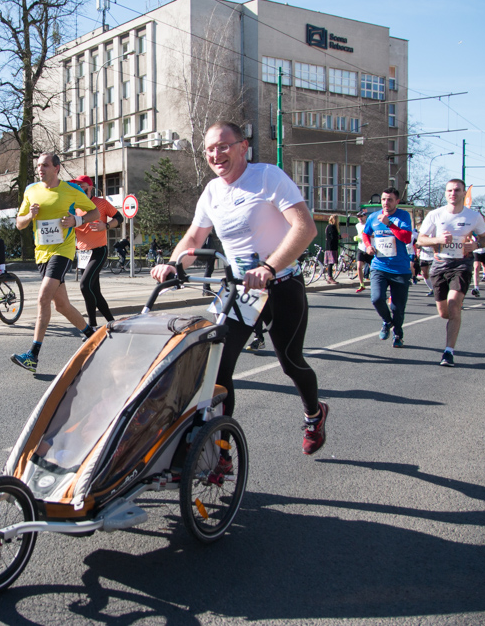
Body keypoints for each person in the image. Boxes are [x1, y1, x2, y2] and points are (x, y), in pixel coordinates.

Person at [151, 121, 327, 455]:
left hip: (282, 283)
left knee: (290, 362)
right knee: (217, 367)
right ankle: (220, 450)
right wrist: (174, 265)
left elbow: (304, 228)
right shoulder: (212, 191)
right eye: (210, 149)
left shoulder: (267, 177)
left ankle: (314, 414)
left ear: (243, 147)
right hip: (239, 290)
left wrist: (269, 266)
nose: (216, 154)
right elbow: (194, 237)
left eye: (224, 146)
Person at [11, 153, 99, 372]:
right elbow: (19, 224)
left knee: (43, 298)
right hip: (42, 253)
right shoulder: (31, 190)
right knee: (62, 305)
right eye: (39, 165)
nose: (41, 169)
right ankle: (94, 337)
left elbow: (94, 211)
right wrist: (30, 216)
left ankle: (33, 355)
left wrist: (76, 220)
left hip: (63, 250)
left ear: (56, 168)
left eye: (45, 165)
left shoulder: (71, 191)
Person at [417, 178, 485, 367]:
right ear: (446, 193)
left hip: (462, 264)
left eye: (457, 190)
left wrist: (476, 245)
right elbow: (421, 240)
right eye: (449, 190)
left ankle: (448, 352)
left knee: (454, 303)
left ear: (464, 193)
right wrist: (438, 239)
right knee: (444, 312)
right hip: (440, 264)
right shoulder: (435, 214)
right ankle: (454, 317)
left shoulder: (474, 216)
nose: (453, 193)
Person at [362, 187, 414, 348]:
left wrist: (389, 224)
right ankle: (386, 321)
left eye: (390, 199)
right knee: (376, 298)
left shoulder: (403, 216)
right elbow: (365, 233)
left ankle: (398, 334)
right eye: (384, 199)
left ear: (397, 201)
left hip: (400, 269)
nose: (386, 202)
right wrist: (368, 246)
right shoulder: (373, 217)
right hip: (379, 266)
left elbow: (406, 238)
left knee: (397, 307)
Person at [73, 175, 122, 329]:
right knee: (94, 290)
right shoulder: (74, 206)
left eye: (82, 185)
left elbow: (119, 217)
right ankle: (112, 322)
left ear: (90, 186)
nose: (80, 187)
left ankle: (92, 325)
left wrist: (106, 226)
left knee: (84, 285)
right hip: (83, 253)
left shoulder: (101, 203)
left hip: (98, 251)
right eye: (77, 185)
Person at [354, 209, 372, 292]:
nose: (360, 218)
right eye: (358, 216)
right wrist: (357, 237)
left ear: (365, 217)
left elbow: (373, 235)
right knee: (359, 267)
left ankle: (376, 284)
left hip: (369, 248)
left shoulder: (369, 225)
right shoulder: (357, 225)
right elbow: (359, 234)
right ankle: (361, 284)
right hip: (360, 248)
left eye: (361, 216)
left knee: (373, 268)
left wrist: (368, 237)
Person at [324, 215, 340, 284]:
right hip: (331, 247)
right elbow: (333, 237)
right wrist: (341, 236)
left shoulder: (328, 227)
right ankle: (330, 277)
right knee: (331, 263)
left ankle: (329, 277)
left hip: (329, 247)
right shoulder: (332, 227)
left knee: (330, 263)